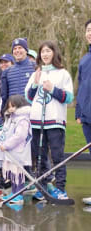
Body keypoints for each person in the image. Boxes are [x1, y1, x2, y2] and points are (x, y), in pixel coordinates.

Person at [25, 41, 74, 200]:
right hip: (37, 121)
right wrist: (35, 83)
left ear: (54, 53)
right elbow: (29, 97)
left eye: (48, 51)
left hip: (55, 120)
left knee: (57, 155)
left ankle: (60, 188)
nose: (45, 54)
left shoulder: (63, 73)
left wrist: (52, 89)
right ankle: (42, 186)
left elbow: (69, 98)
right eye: (42, 52)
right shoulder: (36, 73)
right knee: (39, 156)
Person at [0, 95, 32, 204]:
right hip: (10, 152)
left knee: (17, 173)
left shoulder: (23, 119)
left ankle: (18, 195)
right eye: (9, 106)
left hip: (17, 151)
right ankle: (14, 192)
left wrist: (6, 145)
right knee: (12, 173)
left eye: (13, 106)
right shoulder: (10, 118)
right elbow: (6, 131)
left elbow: (19, 136)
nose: (10, 109)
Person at [76, 19, 91, 206]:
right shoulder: (84, 59)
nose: (90, 33)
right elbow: (81, 87)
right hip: (87, 116)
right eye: (88, 30)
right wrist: (78, 112)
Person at [0, 38, 36, 110]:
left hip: (32, 111)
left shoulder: (35, 67)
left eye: (20, 48)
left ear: (26, 50)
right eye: (15, 48)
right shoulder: (7, 72)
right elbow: (4, 97)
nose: (17, 51)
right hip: (13, 112)